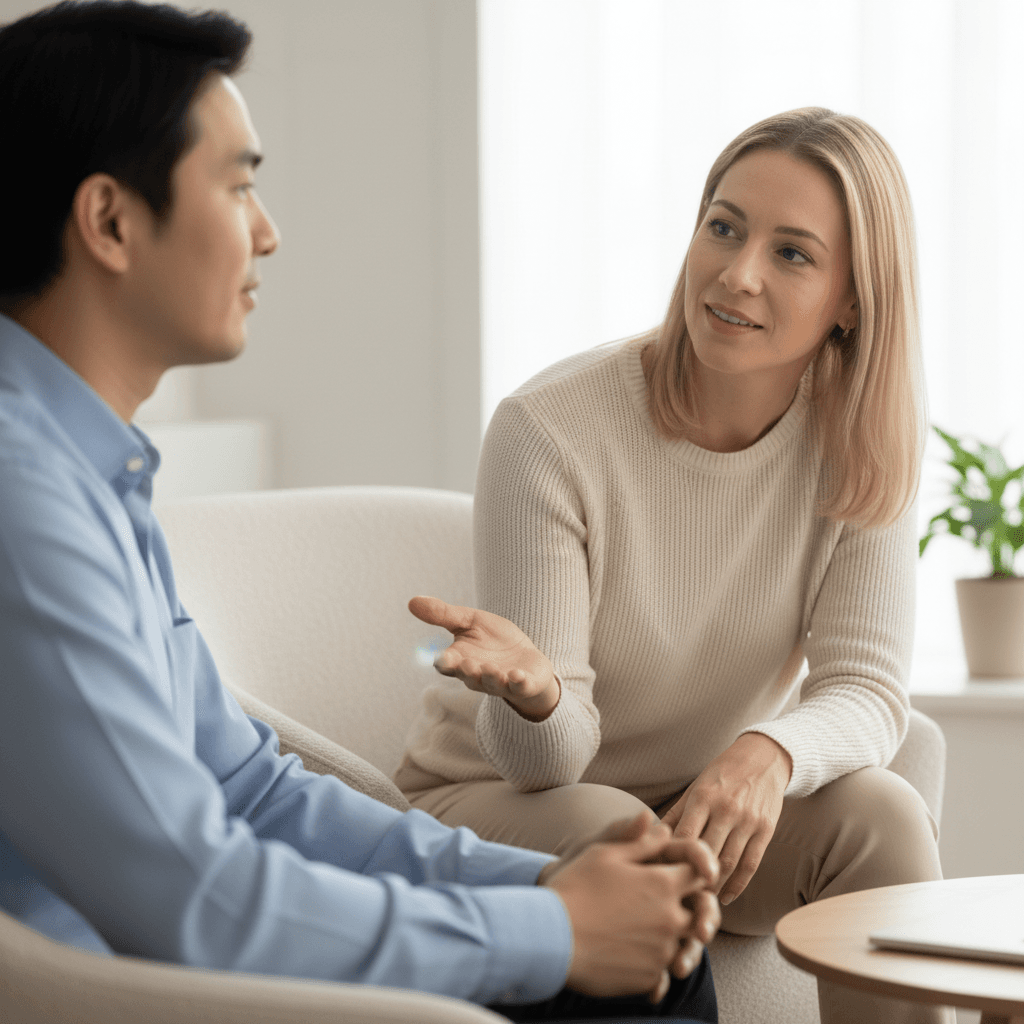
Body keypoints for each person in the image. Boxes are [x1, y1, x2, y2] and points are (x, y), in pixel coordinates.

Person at [0, 3, 722, 1021]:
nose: (268, 230)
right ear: (112, 221)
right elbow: (195, 898)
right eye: (240, 184)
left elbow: (250, 791)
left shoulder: (91, 475)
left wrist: (544, 884)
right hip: (122, 991)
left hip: (182, 954)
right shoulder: (23, 503)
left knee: (658, 957)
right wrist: (557, 927)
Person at [396, 107, 954, 1024]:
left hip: (694, 802)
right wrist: (538, 696)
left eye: (793, 253)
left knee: (883, 821)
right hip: (508, 793)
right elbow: (546, 762)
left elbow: (868, 690)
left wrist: (769, 751)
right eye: (724, 227)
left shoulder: (863, 442)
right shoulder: (552, 430)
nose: (736, 274)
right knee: (618, 838)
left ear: (854, 298)